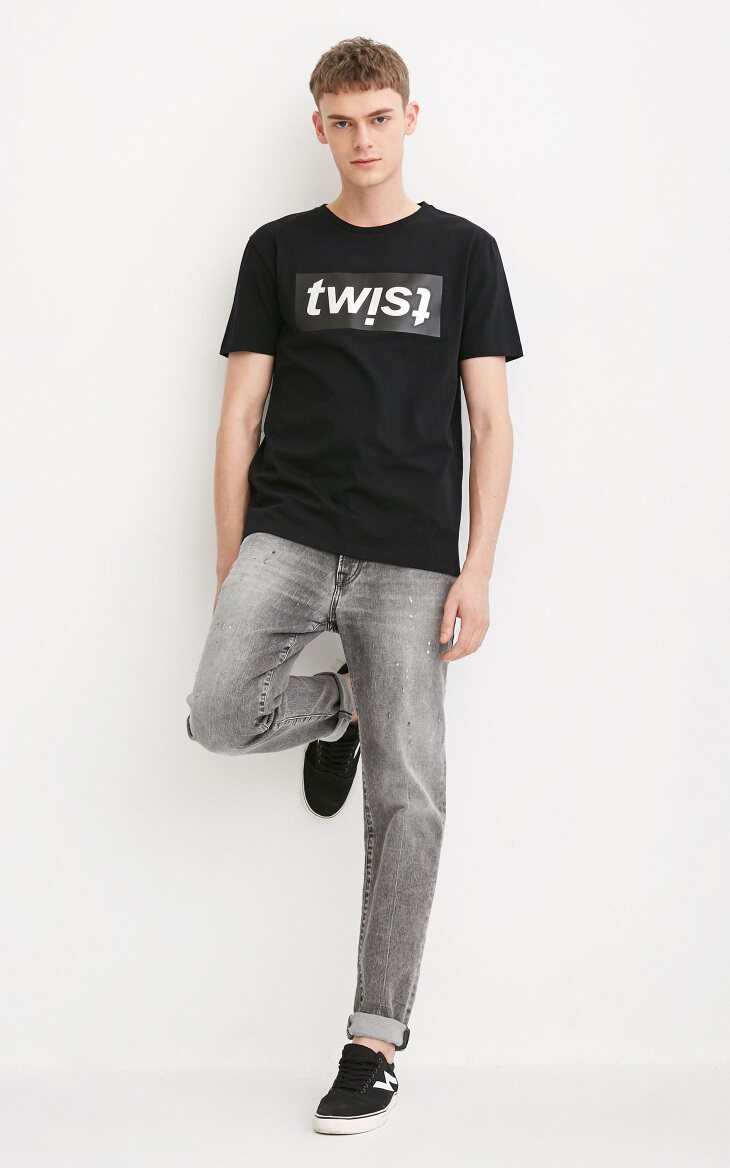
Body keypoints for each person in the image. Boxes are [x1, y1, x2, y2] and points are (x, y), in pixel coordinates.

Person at [186, 35, 523, 1136]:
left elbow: (489, 422)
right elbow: (238, 419)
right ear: (319, 127)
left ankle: (373, 1041)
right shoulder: (278, 248)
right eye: (343, 121)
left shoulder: (464, 252)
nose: (362, 139)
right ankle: (342, 710)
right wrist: (231, 561)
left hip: (411, 554)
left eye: (380, 118)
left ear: (408, 119)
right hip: (288, 532)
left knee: (410, 792)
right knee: (218, 712)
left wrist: (478, 567)